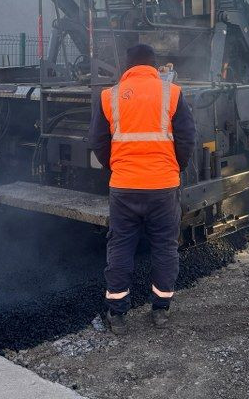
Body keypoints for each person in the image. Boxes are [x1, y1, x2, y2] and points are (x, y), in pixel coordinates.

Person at [88, 44, 196, 334]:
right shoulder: (171, 93)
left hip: (124, 186)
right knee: (165, 247)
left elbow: (97, 141)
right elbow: (186, 139)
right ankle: (160, 311)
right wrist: (176, 168)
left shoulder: (108, 96)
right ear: (155, 66)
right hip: (162, 186)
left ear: (127, 65)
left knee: (120, 246)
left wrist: (117, 166)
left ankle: (118, 315)